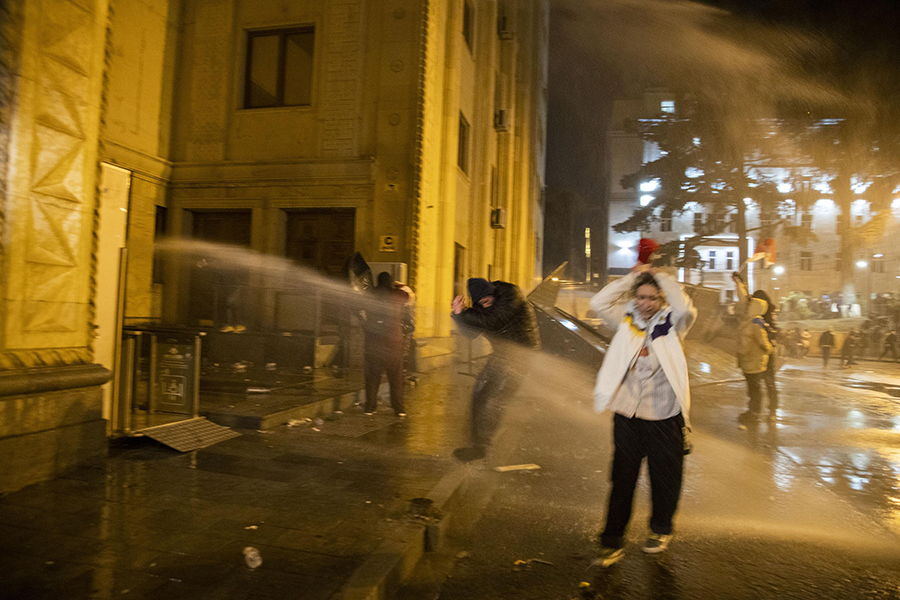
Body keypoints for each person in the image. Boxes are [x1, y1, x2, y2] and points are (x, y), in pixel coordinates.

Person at [590, 266, 696, 566]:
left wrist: (662, 277)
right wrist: (631, 278)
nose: (645, 303)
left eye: (652, 298)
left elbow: (684, 306)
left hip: (664, 414)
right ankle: (611, 541)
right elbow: (598, 303)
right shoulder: (626, 320)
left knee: (665, 478)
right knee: (622, 479)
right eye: (640, 297)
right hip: (627, 413)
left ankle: (660, 529)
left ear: (661, 299)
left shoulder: (674, 323)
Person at [450, 277, 540, 462]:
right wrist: (458, 315)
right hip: (501, 354)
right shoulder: (482, 309)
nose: (485, 305)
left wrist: (464, 315)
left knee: (495, 398)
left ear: (493, 293)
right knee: (479, 393)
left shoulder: (510, 295)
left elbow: (494, 321)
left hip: (522, 354)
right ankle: (478, 446)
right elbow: (471, 334)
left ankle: (482, 445)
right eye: (480, 304)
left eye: (487, 301)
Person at [363, 272, 412, 417]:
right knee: (396, 377)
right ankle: (399, 409)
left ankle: (370, 408)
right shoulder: (398, 294)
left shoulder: (370, 294)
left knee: (372, 376)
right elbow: (410, 296)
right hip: (393, 341)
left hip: (374, 341)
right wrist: (400, 286)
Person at [749, 288, 780, 418]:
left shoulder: (768, 314)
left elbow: (774, 331)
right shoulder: (754, 315)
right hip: (757, 352)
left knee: (767, 381)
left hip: (766, 352)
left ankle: (770, 409)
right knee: (760, 382)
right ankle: (758, 409)